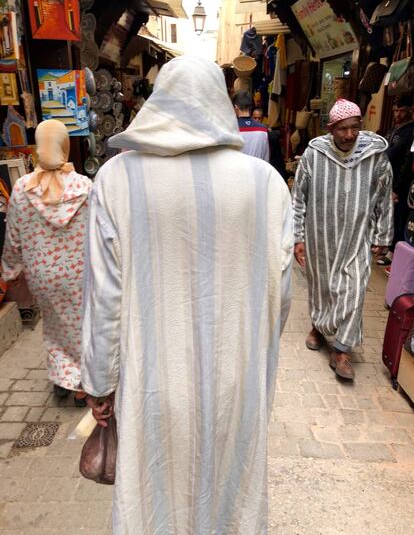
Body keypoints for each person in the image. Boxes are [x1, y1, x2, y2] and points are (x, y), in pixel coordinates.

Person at [81, 55, 293, 534]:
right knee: (230, 496)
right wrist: (253, 361)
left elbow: (105, 298)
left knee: (155, 502)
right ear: (219, 102)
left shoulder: (117, 179)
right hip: (234, 382)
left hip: (151, 385)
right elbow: (279, 298)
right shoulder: (266, 185)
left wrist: (99, 381)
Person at [292, 99, 393, 381]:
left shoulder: (375, 155)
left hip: (356, 236)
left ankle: (341, 350)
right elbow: (299, 197)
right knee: (322, 287)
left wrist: (383, 235)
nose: (349, 135)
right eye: (343, 129)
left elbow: (384, 196)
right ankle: (318, 327)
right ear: (331, 129)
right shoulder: (314, 154)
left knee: (354, 290)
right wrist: (298, 237)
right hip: (320, 237)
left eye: (354, 128)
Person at [1, 119, 92, 405]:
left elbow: (13, 236)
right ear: (64, 145)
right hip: (80, 273)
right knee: (81, 325)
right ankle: (81, 384)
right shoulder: (85, 186)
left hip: (42, 275)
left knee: (53, 324)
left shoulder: (22, 188)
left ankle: (61, 378)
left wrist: (10, 271)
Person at [377, 95, 414, 266]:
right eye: (396, 110)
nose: (398, 114)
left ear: (409, 111)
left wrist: (397, 188)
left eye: (402, 111)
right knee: (388, 215)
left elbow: (405, 160)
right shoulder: (394, 130)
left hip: (401, 183)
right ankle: (385, 245)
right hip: (388, 180)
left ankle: (393, 253)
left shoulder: (410, 131)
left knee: (399, 219)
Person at [232, 90, 270, 161]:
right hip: (258, 170)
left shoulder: (232, 128)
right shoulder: (263, 129)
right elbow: (266, 158)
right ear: (250, 107)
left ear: (236, 107)